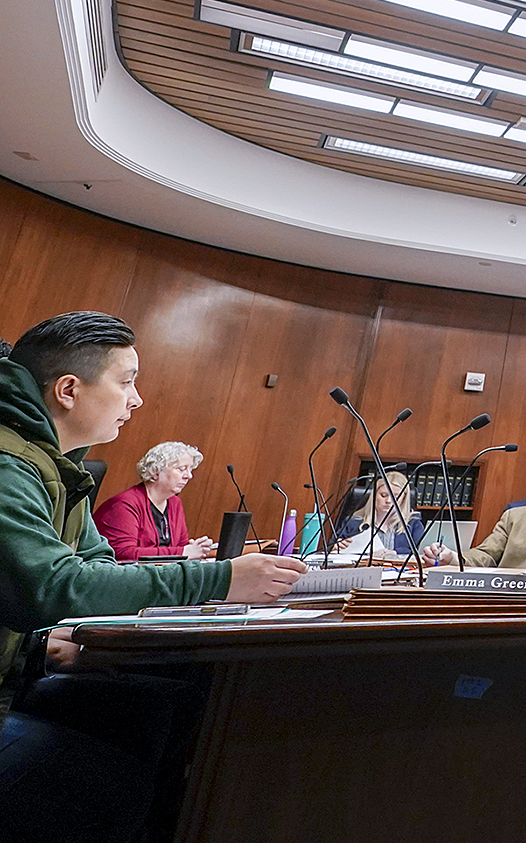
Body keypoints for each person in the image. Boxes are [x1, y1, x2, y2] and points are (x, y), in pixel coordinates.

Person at [0, 312, 305, 841]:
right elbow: (53, 586)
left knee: (169, 703)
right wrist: (219, 580)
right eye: (126, 382)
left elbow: (96, 569)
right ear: (69, 389)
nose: (137, 400)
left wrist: (46, 637)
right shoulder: (10, 462)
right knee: (114, 783)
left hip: (16, 672)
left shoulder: (56, 464)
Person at [92, 441, 215, 561]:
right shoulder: (124, 504)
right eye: (181, 469)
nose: (189, 476)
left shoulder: (174, 503)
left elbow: (180, 545)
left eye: (190, 470)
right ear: (156, 471)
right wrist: (183, 552)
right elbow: (124, 554)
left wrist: (196, 548)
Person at [331, 468, 429, 564]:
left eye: (396, 497)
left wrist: (396, 553)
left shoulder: (413, 523)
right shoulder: (353, 522)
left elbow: (421, 553)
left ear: (403, 500)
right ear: (374, 496)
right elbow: (330, 549)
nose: (389, 501)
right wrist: (335, 547)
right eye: (383, 495)